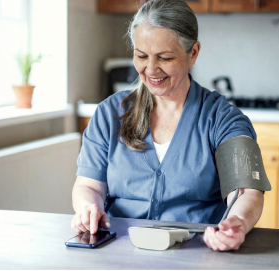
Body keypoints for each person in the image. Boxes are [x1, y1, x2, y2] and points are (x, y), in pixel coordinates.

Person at [71, 0, 267, 252]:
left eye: (164, 58)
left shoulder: (224, 118)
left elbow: (246, 192)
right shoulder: (108, 114)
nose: (151, 69)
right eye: (141, 56)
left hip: (198, 252)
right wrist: (89, 207)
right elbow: (88, 186)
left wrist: (238, 222)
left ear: (193, 53)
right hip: (119, 251)